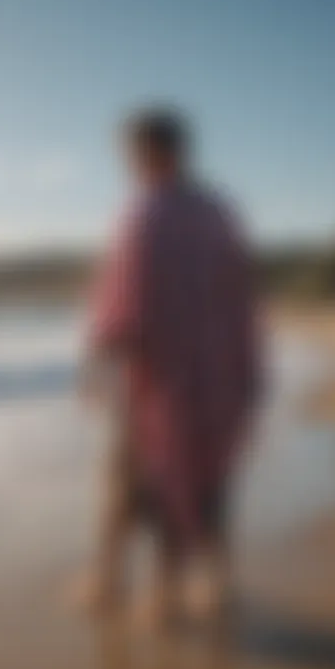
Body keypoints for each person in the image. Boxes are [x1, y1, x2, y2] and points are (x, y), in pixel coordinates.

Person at [78, 107, 262, 629]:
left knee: (136, 479)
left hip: (158, 380)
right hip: (217, 376)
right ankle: (216, 585)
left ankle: (143, 592)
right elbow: (242, 296)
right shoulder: (220, 211)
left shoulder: (146, 212)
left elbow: (125, 301)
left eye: (129, 154)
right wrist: (246, 373)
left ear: (153, 151)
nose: (126, 164)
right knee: (208, 479)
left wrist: (97, 357)